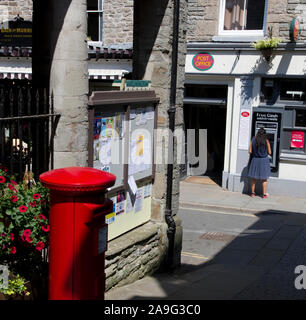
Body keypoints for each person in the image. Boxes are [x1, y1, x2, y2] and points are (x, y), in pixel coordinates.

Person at [248, 128, 272, 198]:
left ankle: (252, 193)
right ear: (265, 134)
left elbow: (250, 151)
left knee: (253, 178)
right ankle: (264, 194)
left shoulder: (253, 140)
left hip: (255, 160)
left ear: (258, 133)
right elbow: (270, 152)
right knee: (264, 179)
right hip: (264, 160)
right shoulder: (266, 141)